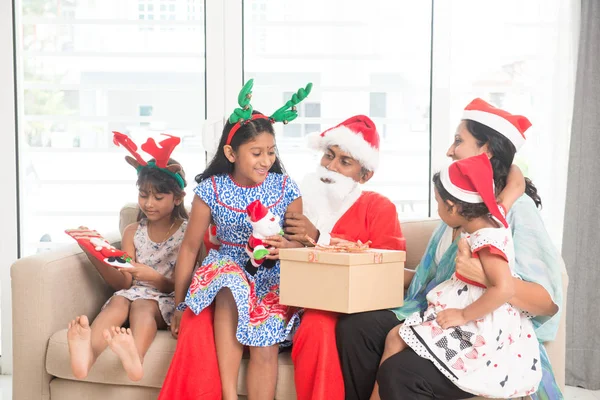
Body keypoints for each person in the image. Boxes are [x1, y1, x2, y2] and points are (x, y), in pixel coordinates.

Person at [337, 98, 564, 400]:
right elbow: (429, 280)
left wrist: (485, 278)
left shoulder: (512, 212)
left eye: (459, 140)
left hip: (482, 326)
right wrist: (362, 259)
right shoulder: (462, 205)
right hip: (434, 308)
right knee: (356, 328)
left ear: (487, 150)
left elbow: (546, 303)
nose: (449, 150)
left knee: (400, 368)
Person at [159, 79, 311, 400]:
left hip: (272, 276)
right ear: (231, 152)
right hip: (225, 269)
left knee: (264, 346)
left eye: (271, 152)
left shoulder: (286, 188)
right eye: (256, 152)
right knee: (230, 280)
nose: (266, 160)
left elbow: (301, 244)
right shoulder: (212, 190)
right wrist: (178, 305)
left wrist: (288, 246)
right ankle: (228, 395)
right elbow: (189, 249)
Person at [375, 153, 541, 400]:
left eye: (439, 203)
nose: (438, 210)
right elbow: (516, 180)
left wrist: (463, 315)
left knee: (395, 339)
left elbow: (504, 288)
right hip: (464, 307)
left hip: (478, 323)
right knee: (394, 337)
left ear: (453, 207)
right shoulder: (491, 219)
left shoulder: (487, 238)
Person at [266, 115, 407, 400]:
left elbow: (387, 273)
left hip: (345, 310)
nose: (330, 167)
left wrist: (317, 239)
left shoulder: (378, 207)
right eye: (328, 156)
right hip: (285, 297)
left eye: (344, 162)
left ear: (364, 175)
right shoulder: (296, 200)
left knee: (318, 325)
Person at [67, 133, 188, 382]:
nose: (149, 203)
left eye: (158, 197)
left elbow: (182, 284)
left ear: (177, 198)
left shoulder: (186, 232)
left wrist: (152, 276)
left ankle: (136, 359)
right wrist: (95, 252)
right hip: (133, 292)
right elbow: (123, 284)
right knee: (118, 302)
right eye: (143, 195)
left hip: (164, 299)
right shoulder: (133, 231)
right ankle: (86, 359)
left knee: (143, 307)